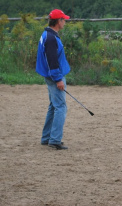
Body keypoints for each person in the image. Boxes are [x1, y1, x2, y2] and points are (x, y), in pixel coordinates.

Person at [36, 9, 71, 150]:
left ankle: (46, 137)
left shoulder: (48, 35)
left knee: (54, 106)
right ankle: (55, 140)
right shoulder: (51, 38)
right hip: (54, 76)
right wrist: (58, 79)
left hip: (50, 75)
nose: (65, 22)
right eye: (64, 19)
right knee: (61, 107)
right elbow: (52, 61)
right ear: (58, 21)